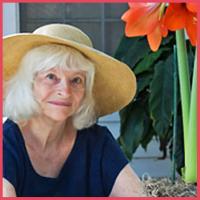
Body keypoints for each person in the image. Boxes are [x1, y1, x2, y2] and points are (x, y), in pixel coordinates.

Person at [3, 24, 145, 197]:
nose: (65, 91)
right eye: (51, 76)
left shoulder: (97, 142)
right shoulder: (6, 143)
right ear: (29, 83)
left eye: (76, 80)